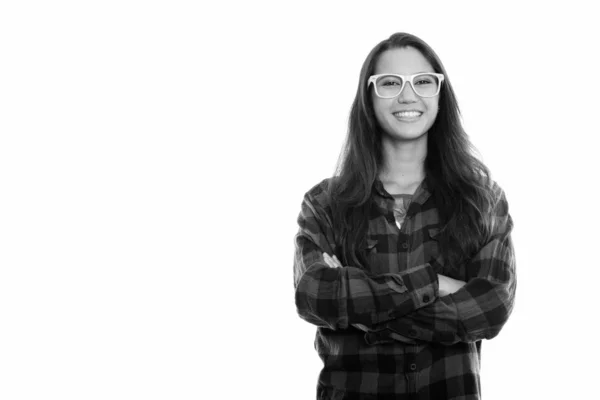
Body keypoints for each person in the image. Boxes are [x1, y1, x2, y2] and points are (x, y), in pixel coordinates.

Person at [293, 32, 516, 400]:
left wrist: (366, 312)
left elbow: (490, 309)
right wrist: (436, 284)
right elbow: (315, 296)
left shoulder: (481, 199)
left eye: (423, 82)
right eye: (390, 82)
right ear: (368, 96)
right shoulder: (325, 203)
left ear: (440, 95)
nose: (408, 95)